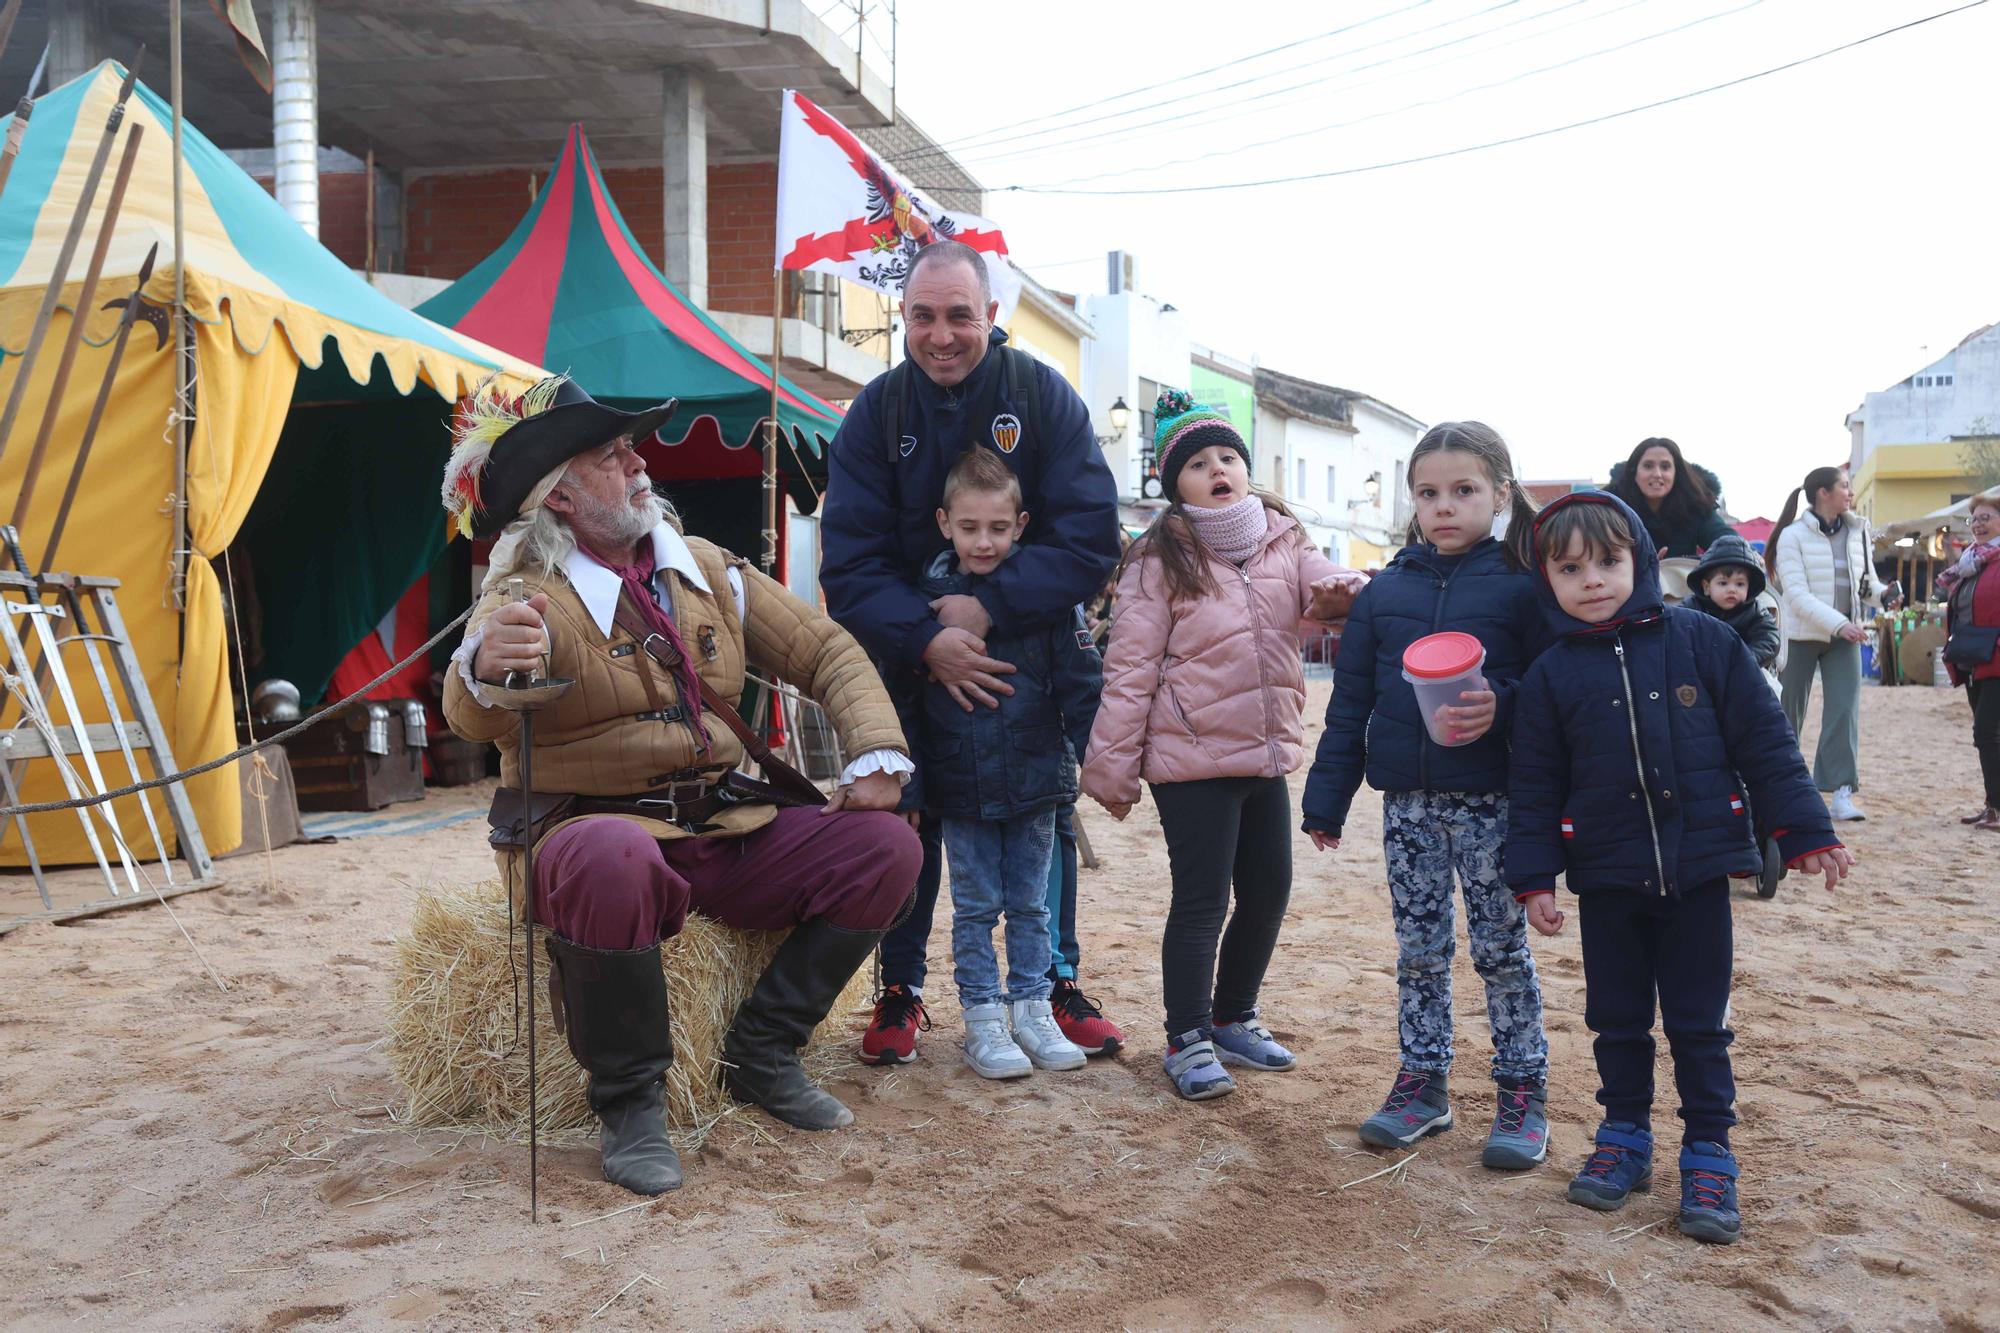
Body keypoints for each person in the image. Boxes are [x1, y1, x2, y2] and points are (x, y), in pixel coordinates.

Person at [439, 376, 921, 1197]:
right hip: (592, 840)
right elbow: (471, 712)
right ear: (559, 493)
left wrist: (875, 750)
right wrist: (486, 666)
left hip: (721, 826)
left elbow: (827, 650)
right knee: (613, 854)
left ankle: (761, 1052)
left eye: (631, 446)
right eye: (611, 454)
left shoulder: (703, 568)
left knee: (886, 848)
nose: (639, 463)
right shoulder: (523, 594)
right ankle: (630, 1106)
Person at [1507, 491, 1854, 1245]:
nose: (1592, 579)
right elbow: (1532, 785)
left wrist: (1802, 831)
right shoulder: (1550, 676)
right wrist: (1533, 875)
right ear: (1549, 579)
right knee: (1617, 1020)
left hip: (1698, 874)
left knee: (1700, 1025)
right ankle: (1624, 1137)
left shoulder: (1704, 642)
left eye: (1607, 560)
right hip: (1606, 880)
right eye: (1570, 568)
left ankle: (1709, 1152)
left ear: (1640, 558)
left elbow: (1766, 744)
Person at [820, 240, 1125, 1065]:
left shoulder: (1041, 397)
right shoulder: (876, 414)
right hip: (907, 664)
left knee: (1042, 822)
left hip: (1026, 663)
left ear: (992, 316)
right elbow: (848, 567)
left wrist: (986, 608)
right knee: (910, 817)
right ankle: (901, 988)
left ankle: (1055, 985)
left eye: (960, 315)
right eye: (923, 316)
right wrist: (929, 640)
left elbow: (1093, 537)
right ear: (904, 321)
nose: (942, 334)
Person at [1081, 391, 1364, 1101]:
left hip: (1263, 751)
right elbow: (1130, 665)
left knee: (1268, 890)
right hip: (1191, 758)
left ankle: (1234, 1015)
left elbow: (1325, 581)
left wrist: (1346, 589)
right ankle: (1186, 1037)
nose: (1218, 468)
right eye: (1198, 461)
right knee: (1202, 899)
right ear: (1174, 481)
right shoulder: (1159, 557)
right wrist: (1111, 765)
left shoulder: (1282, 537)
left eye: (1228, 456)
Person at [1299, 422, 1552, 1169]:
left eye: (1464, 491)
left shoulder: (1521, 587)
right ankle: (1423, 1081)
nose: (1445, 507)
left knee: (1503, 951)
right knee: (1418, 951)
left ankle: (1522, 1089)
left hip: (1493, 802)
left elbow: (1548, 688)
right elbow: (1351, 702)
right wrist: (1326, 798)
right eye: (1429, 492)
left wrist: (1500, 703)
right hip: (1406, 804)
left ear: (1500, 494)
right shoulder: (1386, 590)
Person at [893, 448, 1102, 1078]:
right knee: (977, 909)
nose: (984, 542)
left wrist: (1098, 760)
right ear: (943, 523)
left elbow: (1080, 684)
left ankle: (1033, 1010)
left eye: (999, 528)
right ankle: (983, 1021)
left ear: (1021, 524)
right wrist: (911, 787)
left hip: (1038, 779)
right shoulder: (923, 605)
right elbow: (907, 704)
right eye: (969, 528)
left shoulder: (1046, 603)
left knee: (1033, 905)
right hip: (961, 786)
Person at [1768, 466, 1894, 822]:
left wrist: (1886, 595)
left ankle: (1840, 793)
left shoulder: (1858, 532)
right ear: (1823, 493)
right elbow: (1795, 593)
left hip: (1845, 637)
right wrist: (1840, 625)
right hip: (1801, 635)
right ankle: (1781, 790)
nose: (1850, 493)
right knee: (1787, 712)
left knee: (1844, 712)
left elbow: (1865, 586)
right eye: (1844, 486)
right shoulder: (1792, 537)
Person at [1939, 492, 2000, 831]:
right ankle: (1992, 805)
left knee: (1986, 731)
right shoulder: (1970, 562)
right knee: (1988, 734)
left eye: (1986, 517)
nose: (1978, 524)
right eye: (1974, 518)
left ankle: (1997, 808)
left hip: (1996, 656)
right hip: (1973, 656)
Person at [1607, 437, 1732, 559]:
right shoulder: (1610, 508)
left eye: (1665, 467)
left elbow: (1729, 544)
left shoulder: (1696, 507)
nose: (1657, 474)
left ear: (1676, 474)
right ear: (1634, 472)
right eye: (1648, 466)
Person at [1684, 533, 1780, 669]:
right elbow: (1678, 634)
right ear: (1706, 587)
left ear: (1749, 587)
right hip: (1700, 670)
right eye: (1723, 583)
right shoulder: (1691, 608)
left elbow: (1769, 639)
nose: (1732, 590)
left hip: (1742, 670)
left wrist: (1747, 660)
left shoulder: (1755, 611)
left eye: (1739, 584)